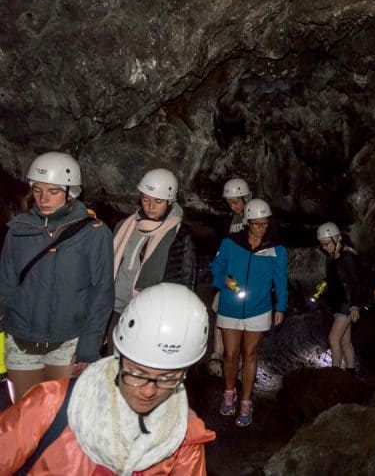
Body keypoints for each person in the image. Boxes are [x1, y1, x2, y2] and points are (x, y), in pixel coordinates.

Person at [0, 282, 215, 474]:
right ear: (119, 358)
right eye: (137, 373)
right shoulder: (51, 404)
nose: (149, 391)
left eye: (169, 378)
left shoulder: (184, 438)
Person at [0, 151, 114, 402]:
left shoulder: (94, 233)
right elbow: (5, 284)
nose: (43, 198)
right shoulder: (19, 229)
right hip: (21, 341)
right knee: (25, 421)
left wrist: (88, 348)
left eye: (53, 191)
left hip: (67, 344)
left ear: (70, 191)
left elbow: (101, 293)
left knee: (60, 424)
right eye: (38, 190)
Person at [210, 198, 288, 427]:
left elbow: (281, 279)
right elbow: (216, 267)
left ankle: (246, 402)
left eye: (264, 224)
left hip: (259, 308)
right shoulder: (230, 243)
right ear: (248, 223)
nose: (261, 229)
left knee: (250, 355)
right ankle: (228, 392)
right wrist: (223, 279)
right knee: (231, 354)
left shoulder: (276, 249)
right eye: (256, 224)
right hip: (230, 306)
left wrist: (281, 306)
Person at [106, 168, 196, 355]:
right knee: (111, 362)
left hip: (151, 312)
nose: (150, 206)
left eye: (158, 201)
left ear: (170, 202)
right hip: (114, 308)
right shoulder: (125, 225)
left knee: (140, 361)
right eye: (146, 199)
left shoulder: (180, 234)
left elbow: (186, 279)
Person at [208, 178, 253, 377]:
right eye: (230, 203)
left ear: (246, 198)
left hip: (245, 280)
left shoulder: (253, 218)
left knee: (243, 322)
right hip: (229, 277)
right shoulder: (233, 220)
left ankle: (242, 366)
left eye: (236, 202)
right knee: (220, 314)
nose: (233, 206)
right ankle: (217, 356)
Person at [316, 222, 362, 373]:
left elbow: (356, 283)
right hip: (338, 303)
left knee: (334, 338)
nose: (325, 247)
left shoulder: (348, 257)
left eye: (327, 243)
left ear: (337, 239)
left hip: (347, 303)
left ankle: (335, 374)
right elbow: (333, 280)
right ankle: (350, 372)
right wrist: (323, 288)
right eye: (322, 244)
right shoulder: (331, 258)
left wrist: (355, 306)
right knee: (345, 342)